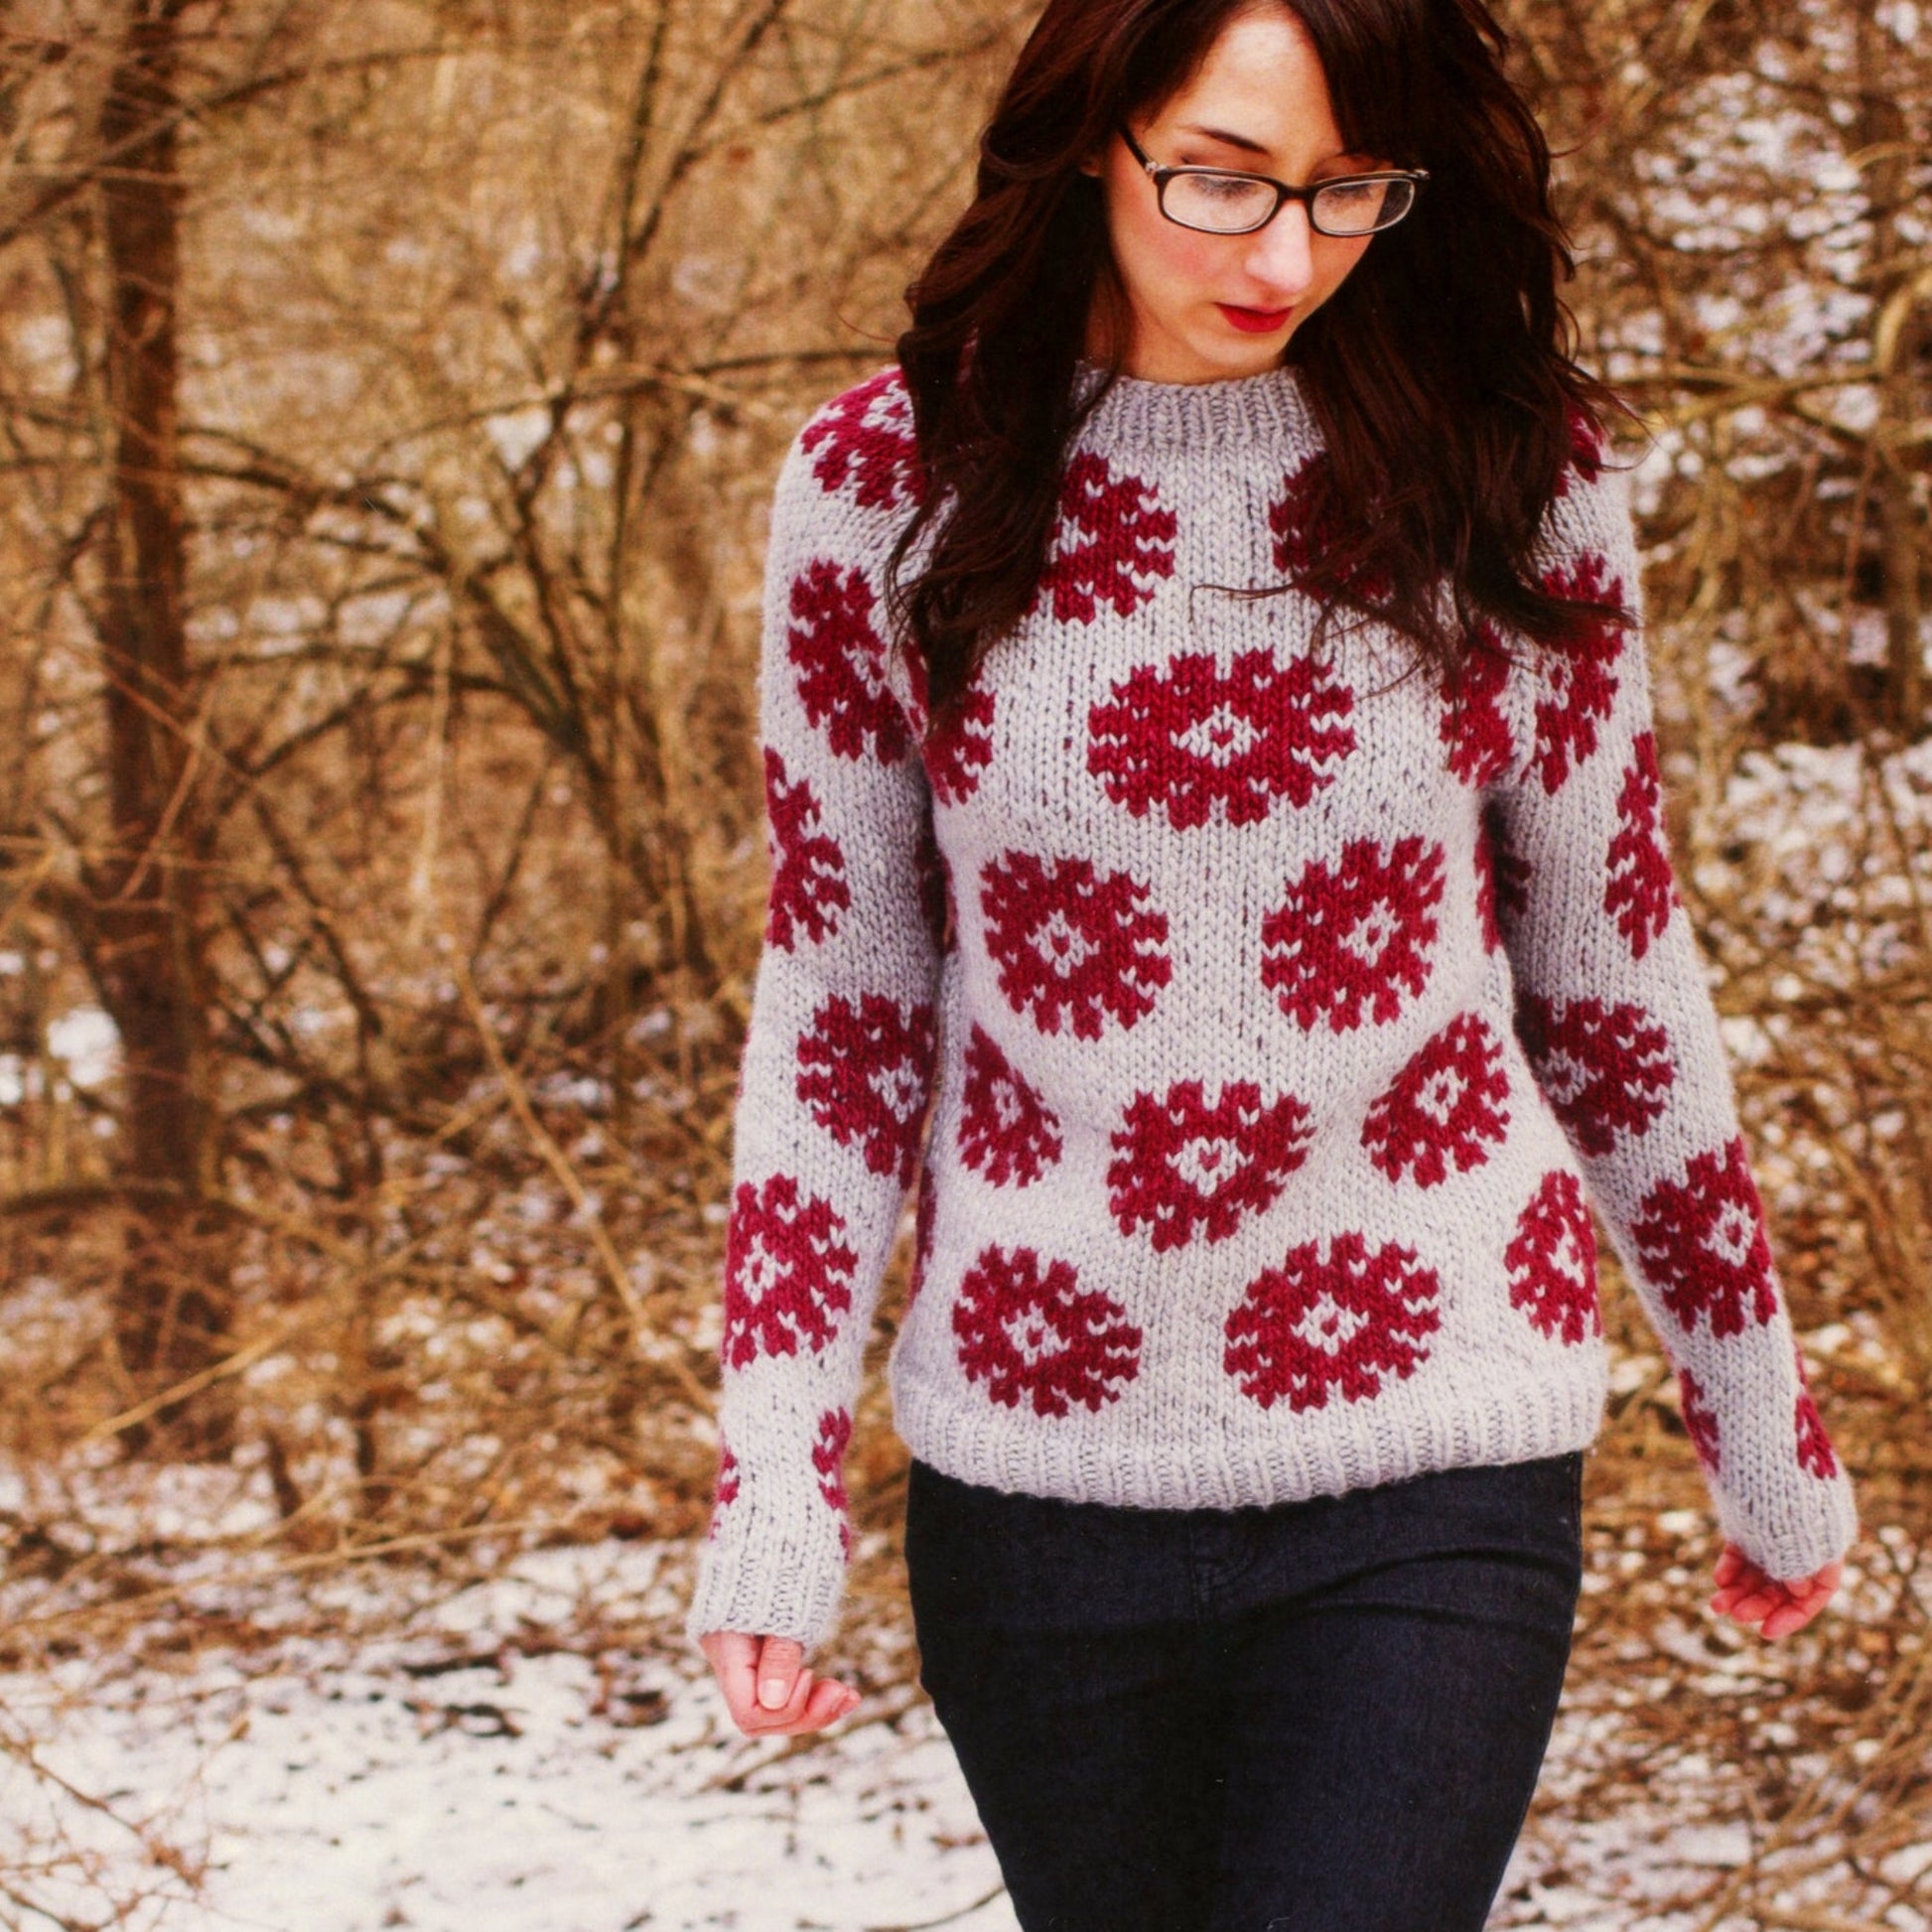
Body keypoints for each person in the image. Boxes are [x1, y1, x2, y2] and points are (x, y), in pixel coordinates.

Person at [687, 0, 1858, 1923]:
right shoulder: (885, 485)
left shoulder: (1510, 470)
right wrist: (773, 1485)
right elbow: (841, 1010)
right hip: (1039, 1481)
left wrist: (1756, 1414)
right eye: (1221, 178)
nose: (1285, 256)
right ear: (1093, 132)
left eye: (1345, 192)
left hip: (1433, 1459)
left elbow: (1612, 977)